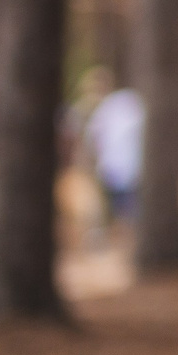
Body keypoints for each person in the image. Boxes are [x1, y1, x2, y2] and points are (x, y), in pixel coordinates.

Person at [76, 66, 146, 235]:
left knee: (125, 211)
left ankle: (126, 238)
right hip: (120, 170)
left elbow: (91, 142)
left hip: (121, 169)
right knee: (123, 210)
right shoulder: (128, 102)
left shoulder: (113, 107)